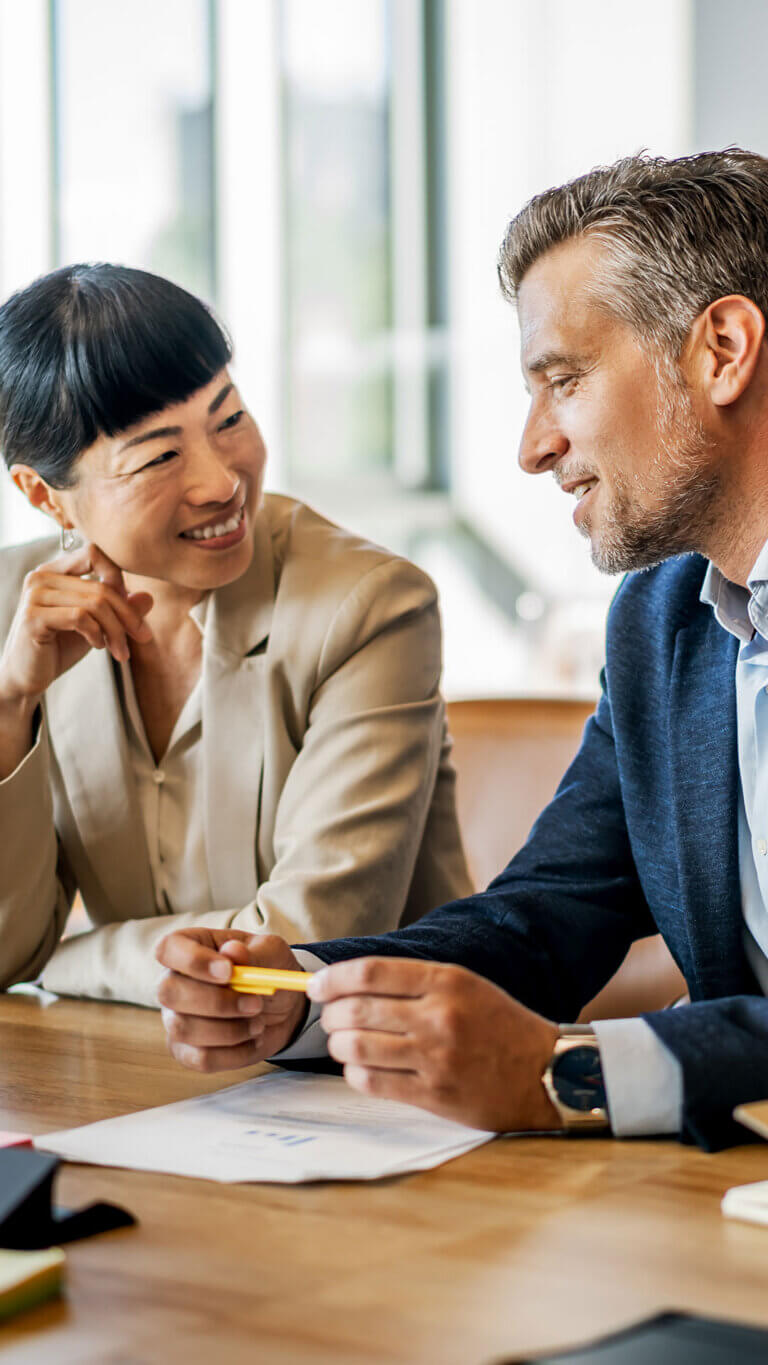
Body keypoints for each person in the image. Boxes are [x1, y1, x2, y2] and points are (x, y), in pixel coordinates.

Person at [158, 148, 768, 1151]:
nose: (532, 445)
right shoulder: (662, 619)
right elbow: (547, 917)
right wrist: (308, 992)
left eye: (562, 379)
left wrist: (569, 1074)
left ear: (723, 350)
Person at [0, 263, 471, 1009]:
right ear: (42, 494)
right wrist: (10, 705)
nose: (222, 480)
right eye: (159, 456)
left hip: (367, 1073)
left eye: (229, 419)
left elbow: (303, 945)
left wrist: (70, 960)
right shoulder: (16, 611)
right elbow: (3, 950)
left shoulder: (370, 606)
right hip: (132, 1074)